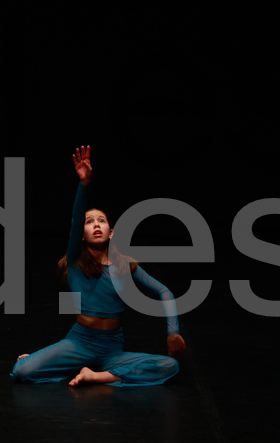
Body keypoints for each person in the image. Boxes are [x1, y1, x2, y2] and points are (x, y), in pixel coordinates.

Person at [10, 145, 187, 387]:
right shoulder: (75, 260)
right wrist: (84, 184)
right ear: (81, 235)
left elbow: (164, 291)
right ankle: (53, 362)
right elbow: (75, 221)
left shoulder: (125, 265)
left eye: (101, 221)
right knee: (22, 370)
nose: (96, 224)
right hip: (79, 343)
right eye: (89, 222)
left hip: (111, 349)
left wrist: (173, 332)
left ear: (110, 232)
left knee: (170, 365)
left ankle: (97, 376)